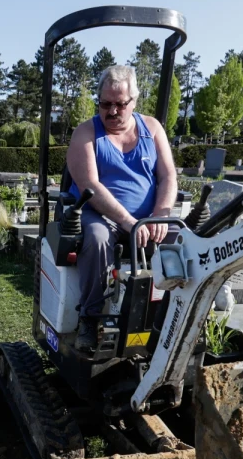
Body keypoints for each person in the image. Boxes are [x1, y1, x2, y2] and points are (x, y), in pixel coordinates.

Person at [67, 65, 178, 351]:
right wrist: (128, 221)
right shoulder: (85, 134)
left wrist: (162, 213)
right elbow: (89, 184)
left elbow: (168, 176)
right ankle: (89, 318)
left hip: (149, 217)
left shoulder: (152, 128)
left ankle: (174, 315)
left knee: (184, 241)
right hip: (101, 214)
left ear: (134, 102)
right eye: (106, 104)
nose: (112, 111)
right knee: (97, 239)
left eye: (120, 104)